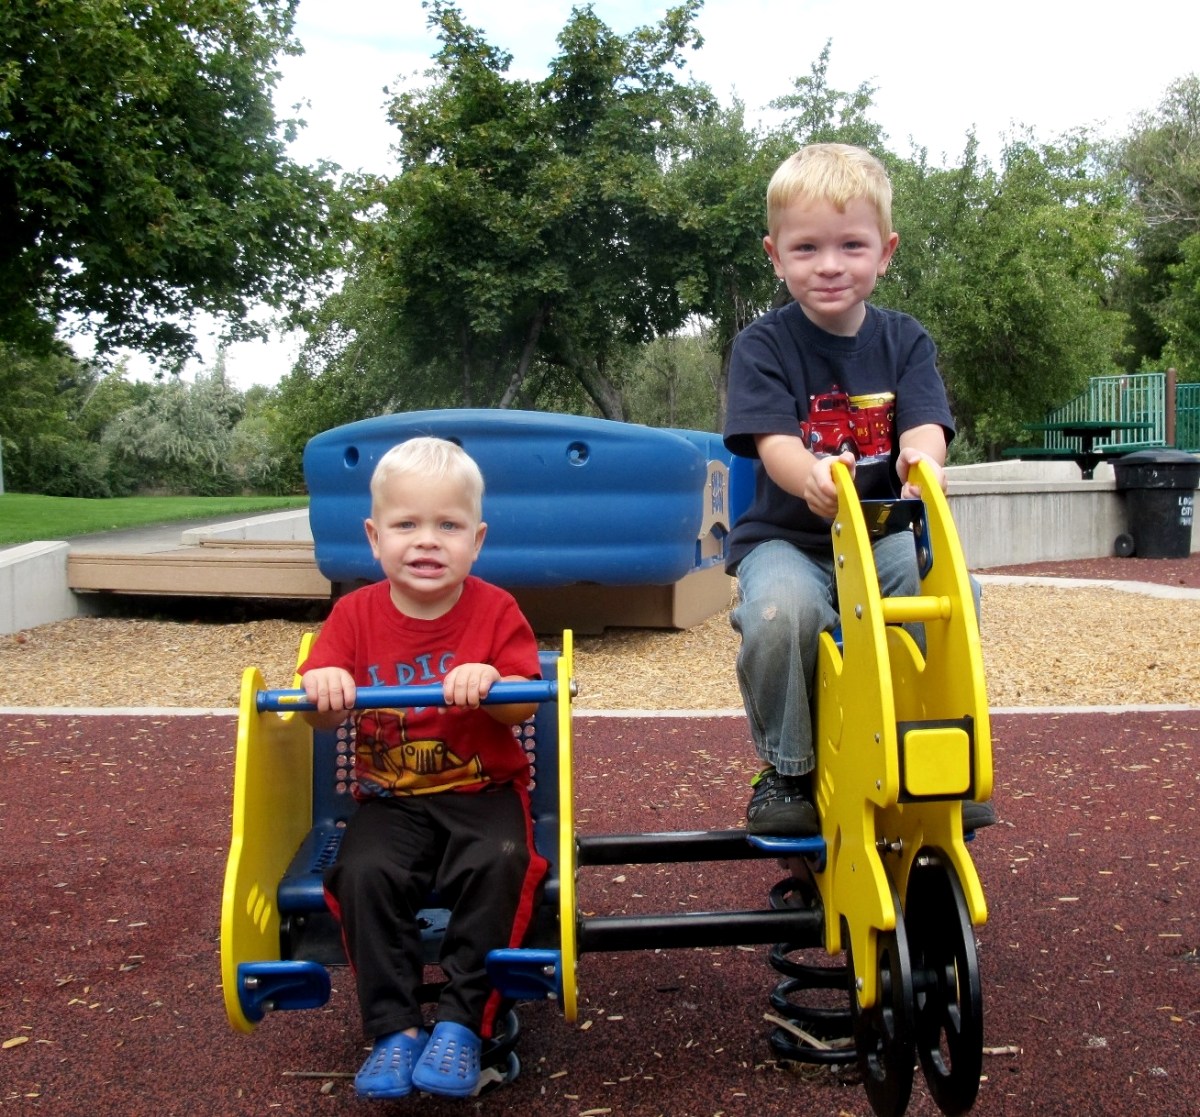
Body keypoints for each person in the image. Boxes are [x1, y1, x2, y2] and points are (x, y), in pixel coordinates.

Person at [723, 142, 994, 836]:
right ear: (775, 256)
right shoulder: (763, 345)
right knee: (782, 613)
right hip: (789, 539)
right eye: (806, 248)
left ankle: (931, 753)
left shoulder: (905, 341)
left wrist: (922, 461)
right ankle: (789, 768)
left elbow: (925, 424)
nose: (830, 264)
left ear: (885, 252)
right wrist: (810, 474)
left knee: (950, 595)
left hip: (882, 533)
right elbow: (775, 445)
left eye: (851, 244)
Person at [299, 436, 547, 1100]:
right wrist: (323, 687)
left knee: (502, 861)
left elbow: (524, 703)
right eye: (406, 524)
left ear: (477, 539)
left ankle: (464, 1020)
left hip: (482, 790)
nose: (427, 541)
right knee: (362, 871)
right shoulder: (354, 615)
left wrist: (493, 681)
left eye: (449, 526)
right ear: (375, 537)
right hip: (392, 799)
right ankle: (396, 1027)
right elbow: (317, 716)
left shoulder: (495, 610)